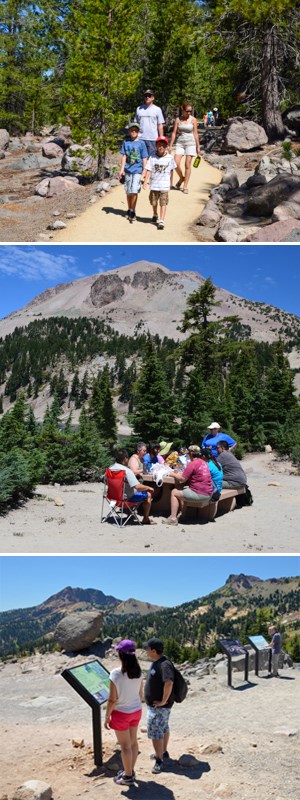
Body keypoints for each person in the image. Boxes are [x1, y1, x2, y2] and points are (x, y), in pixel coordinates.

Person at [104, 639, 143, 786]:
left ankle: (127, 777)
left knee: (125, 747)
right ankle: (130, 770)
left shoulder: (115, 674)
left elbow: (112, 700)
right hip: (136, 711)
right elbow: (140, 695)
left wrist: (107, 717)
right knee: (133, 743)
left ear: (121, 654)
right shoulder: (138, 672)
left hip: (121, 714)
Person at [144, 637, 174, 774]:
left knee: (156, 733)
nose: (145, 651)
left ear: (154, 650)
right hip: (159, 707)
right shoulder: (159, 662)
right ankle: (163, 752)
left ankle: (159, 760)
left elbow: (169, 683)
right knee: (163, 728)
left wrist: (163, 701)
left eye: (147, 648)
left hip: (159, 707)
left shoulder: (164, 664)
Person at [163, 444, 213, 525]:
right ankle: (183, 516)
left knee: (174, 492)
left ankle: (173, 518)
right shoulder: (203, 463)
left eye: (188, 453)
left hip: (200, 494)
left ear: (191, 454)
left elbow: (182, 479)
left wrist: (172, 474)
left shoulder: (192, 463)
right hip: (209, 493)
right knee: (185, 491)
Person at [143, 136, 183, 229]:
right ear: (156, 146)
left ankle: (161, 220)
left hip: (164, 185)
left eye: (163, 145)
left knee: (163, 202)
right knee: (153, 202)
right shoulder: (152, 157)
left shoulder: (169, 158)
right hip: (154, 185)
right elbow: (148, 169)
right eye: (159, 145)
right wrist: (145, 181)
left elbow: (171, 170)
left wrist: (170, 182)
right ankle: (155, 214)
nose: (161, 147)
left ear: (166, 146)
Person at [110, 448, 156, 524]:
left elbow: (106, 481)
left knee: (128, 489)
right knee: (148, 494)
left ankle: (130, 515)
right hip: (125, 499)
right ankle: (146, 518)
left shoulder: (110, 469)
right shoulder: (126, 471)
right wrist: (149, 488)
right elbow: (137, 487)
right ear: (125, 459)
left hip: (112, 498)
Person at [117, 122, 148, 222]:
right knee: (128, 191)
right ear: (129, 131)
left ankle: (133, 210)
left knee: (134, 191)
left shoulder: (141, 143)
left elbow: (144, 157)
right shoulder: (126, 142)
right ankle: (129, 208)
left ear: (138, 132)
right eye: (132, 130)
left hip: (137, 170)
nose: (134, 132)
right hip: (128, 170)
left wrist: (144, 171)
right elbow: (124, 156)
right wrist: (121, 170)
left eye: (136, 130)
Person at [169, 102, 200, 194]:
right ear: (183, 110)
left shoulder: (193, 120)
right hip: (180, 143)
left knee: (187, 164)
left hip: (191, 143)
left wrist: (198, 146)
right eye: (187, 111)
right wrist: (170, 145)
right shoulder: (178, 119)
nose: (189, 113)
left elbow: (195, 133)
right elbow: (174, 133)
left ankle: (185, 186)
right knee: (175, 162)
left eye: (191, 111)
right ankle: (182, 178)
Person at [134, 89, 165, 157]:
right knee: (140, 158)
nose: (147, 97)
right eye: (146, 96)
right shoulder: (139, 109)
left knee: (152, 158)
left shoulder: (157, 109)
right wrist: (135, 137)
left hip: (153, 139)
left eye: (149, 96)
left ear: (153, 98)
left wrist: (161, 138)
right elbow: (136, 124)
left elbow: (160, 125)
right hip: (140, 138)